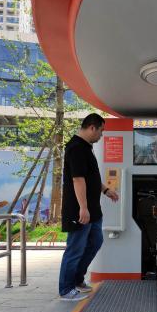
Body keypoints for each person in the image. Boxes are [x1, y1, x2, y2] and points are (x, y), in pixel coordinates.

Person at [59, 113, 119, 301]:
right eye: (101, 131)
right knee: (75, 248)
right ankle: (66, 289)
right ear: (92, 127)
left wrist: (105, 190)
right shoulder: (76, 148)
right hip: (80, 210)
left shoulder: (86, 148)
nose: (101, 135)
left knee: (95, 242)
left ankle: (77, 280)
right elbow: (78, 179)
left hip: (93, 210)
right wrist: (83, 208)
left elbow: (90, 177)